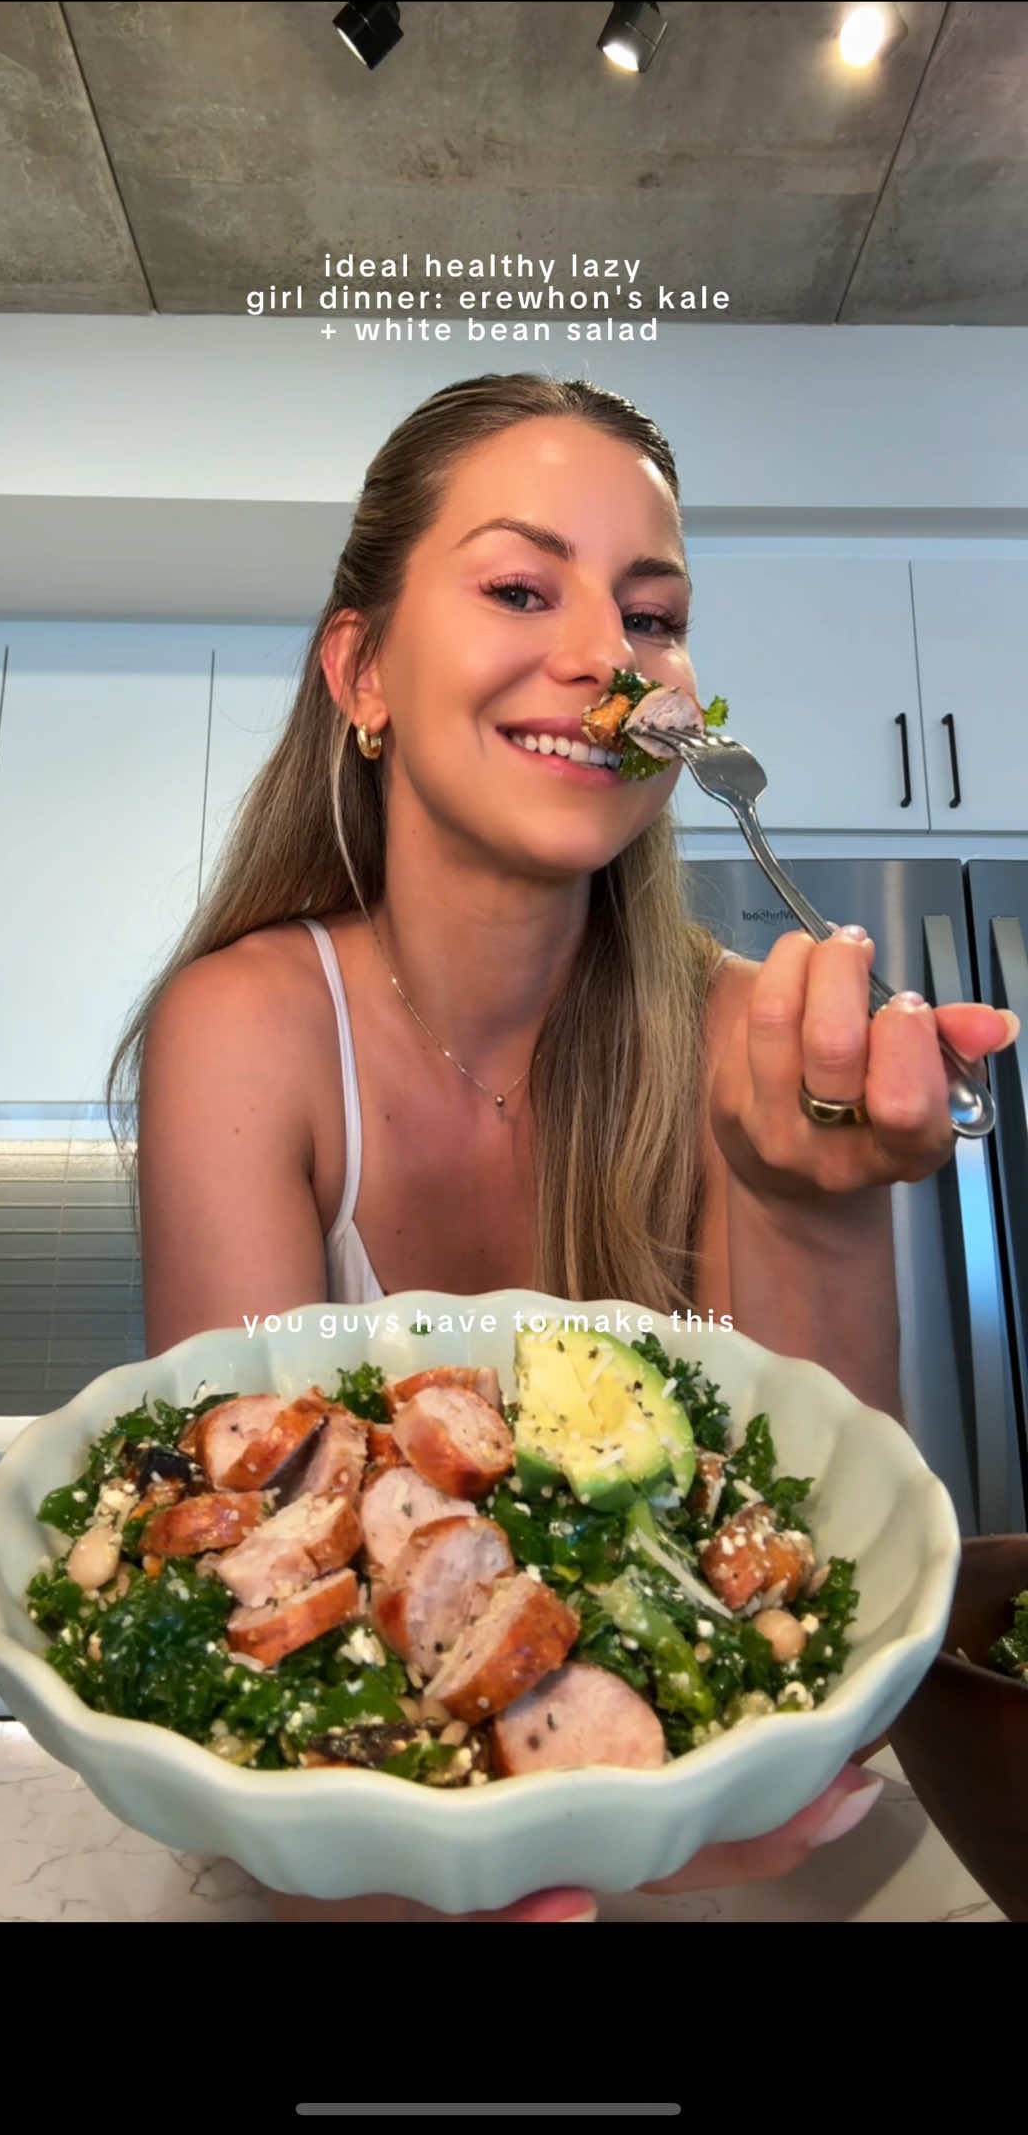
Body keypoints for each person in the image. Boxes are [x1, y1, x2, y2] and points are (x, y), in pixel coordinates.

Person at [111, 371, 1019, 1923]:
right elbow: (253, 1599)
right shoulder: (247, 1030)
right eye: (523, 589)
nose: (611, 657)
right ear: (364, 671)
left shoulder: (742, 1037)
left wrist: (811, 1205)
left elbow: (820, 1607)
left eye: (653, 618)